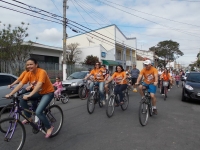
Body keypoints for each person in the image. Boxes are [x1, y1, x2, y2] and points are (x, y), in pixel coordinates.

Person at [5, 58, 55, 138]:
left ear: (36, 65)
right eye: (28, 65)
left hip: (48, 93)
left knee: (38, 112)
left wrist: (29, 95)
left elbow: (39, 85)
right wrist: (10, 93)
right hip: (39, 93)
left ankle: (49, 127)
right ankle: (29, 118)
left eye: (31, 64)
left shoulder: (42, 72)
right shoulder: (29, 74)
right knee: (22, 98)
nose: (29, 66)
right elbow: (21, 84)